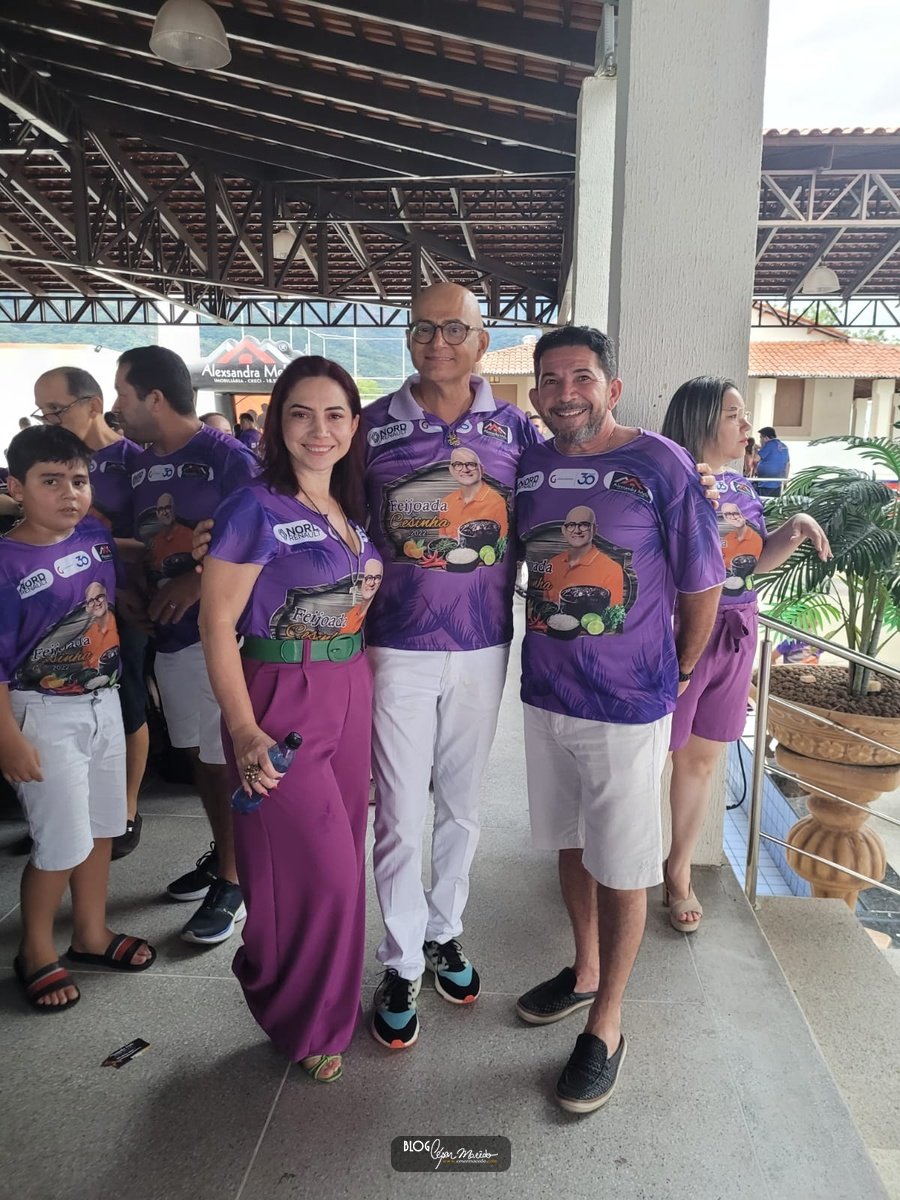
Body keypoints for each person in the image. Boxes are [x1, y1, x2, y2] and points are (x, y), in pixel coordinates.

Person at [514, 327, 725, 1114]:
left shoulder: (661, 463)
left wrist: (679, 671)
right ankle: (586, 970)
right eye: (551, 379)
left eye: (582, 377)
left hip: (628, 704)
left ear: (613, 387)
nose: (566, 392)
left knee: (626, 863)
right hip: (547, 692)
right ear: (535, 394)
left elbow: (703, 580)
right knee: (570, 842)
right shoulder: (530, 467)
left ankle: (606, 1023)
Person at [363, 282, 541, 1049]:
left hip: (482, 642)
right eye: (422, 329)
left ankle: (443, 930)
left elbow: (564, 511)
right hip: (394, 643)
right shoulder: (370, 426)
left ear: (482, 340)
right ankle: (401, 959)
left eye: (454, 329)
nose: (437, 342)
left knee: (463, 804)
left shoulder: (516, 430)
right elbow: (326, 511)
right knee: (400, 811)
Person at [198, 356, 377, 1083]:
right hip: (278, 694)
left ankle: (329, 1002)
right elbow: (216, 623)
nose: (318, 430)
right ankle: (293, 1006)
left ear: (353, 425)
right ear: (277, 423)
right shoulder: (255, 507)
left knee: (344, 862)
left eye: (334, 415)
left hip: (350, 686)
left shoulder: (347, 510)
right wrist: (244, 729)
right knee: (318, 872)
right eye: (301, 414)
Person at [661, 377, 830, 931]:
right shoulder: (670, 483)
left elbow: (749, 564)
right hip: (680, 632)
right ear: (701, 419)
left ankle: (678, 871)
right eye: (734, 414)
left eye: (744, 414)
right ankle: (622, 867)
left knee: (701, 761)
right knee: (650, 757)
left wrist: (794, 529)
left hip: (736, 632)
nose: (747, 426)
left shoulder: (740, 485)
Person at [0, 426, 155, 1012]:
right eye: (50, 481)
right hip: (40, 713)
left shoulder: (92, 534)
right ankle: (35, 950)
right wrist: (7, 738)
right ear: (16, 488)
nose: (69, 493)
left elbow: (118, 565)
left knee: (100, 827)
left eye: (79, 480)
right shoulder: (6, 564)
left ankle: (90, 932)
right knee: (59, 842)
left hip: (102, 700)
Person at [112, 346, 258, 945]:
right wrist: (130, 592)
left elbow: (263, 532)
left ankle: (236, 878)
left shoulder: (225, 457)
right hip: (167, 635)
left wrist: (198, 582)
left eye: (122, 393)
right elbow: (142, 542)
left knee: (224, 757)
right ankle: (223, 852)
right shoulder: (140, 465)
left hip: (218, 635)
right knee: (197, 754)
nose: (116, 406)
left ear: (154, 397)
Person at [33, 366, 149, 861]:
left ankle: (126, 808)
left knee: (128, 700)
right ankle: (72, 810)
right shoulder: (54, 460)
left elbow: (152, 538)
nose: (50, 420)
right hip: (67, 605)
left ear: (94, 405)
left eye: (57, 410)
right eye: (43, 412)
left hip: (127, 600)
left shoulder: (134, 461)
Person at [542, 505, 625, 608]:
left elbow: (613, 614)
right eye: (571, 525)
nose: (577, 530)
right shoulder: (553, 563)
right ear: (564, 530)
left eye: (584, 525)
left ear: (594, 529)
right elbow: (545, 609)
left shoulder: (612, 569)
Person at [437, 447, 509, 545]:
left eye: (471, 464)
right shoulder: (446, 502)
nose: (465, 469)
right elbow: (442, 542)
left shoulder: (497, 502)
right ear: (451, 470)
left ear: (482, 469)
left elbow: (502, 544)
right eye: (458, 464)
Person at [754, 426, 790, 497]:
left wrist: (756, 449)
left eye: (761, 438)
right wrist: (785, 480)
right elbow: (787, 464)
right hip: (778, 483)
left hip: (766, 484)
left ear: (766, 438)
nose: (760, 440)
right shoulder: (784, 446)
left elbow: (756, 459)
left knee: (764, 501)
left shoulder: (769, 444)